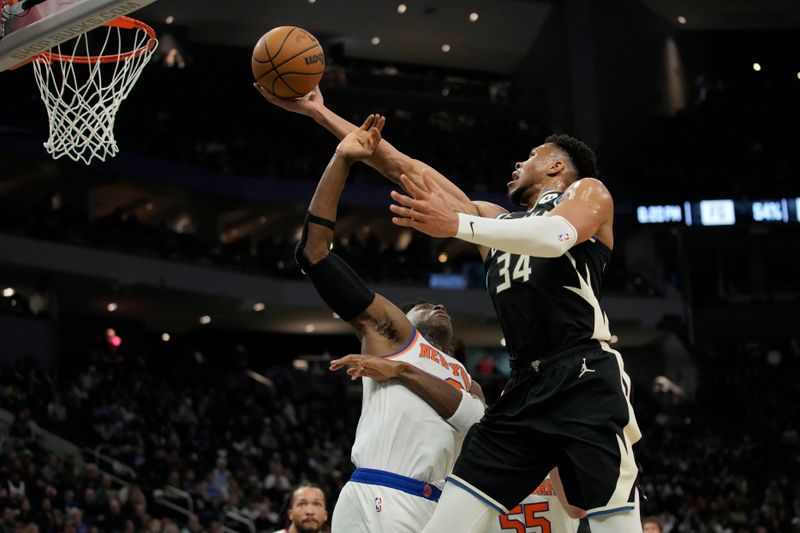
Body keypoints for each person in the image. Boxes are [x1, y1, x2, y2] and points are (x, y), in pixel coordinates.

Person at [257, 85, 641, 533]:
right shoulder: (496, 224)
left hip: (583, 375)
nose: (518, 163)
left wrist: (457, 224)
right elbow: (404, 167)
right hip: (523, 389)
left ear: (556, 165)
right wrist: (320, 114)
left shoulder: (588, 192)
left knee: (614, 524)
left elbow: (555, 237)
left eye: (533, 155)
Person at [295, 114, 485, 533]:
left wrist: (402, 371)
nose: (435, 305)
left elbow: (477, 424)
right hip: (370, 491)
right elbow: (315, 254)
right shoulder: (398, 335)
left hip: (429, 503)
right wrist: (341, 162)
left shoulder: (470, 382)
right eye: (419, 304)